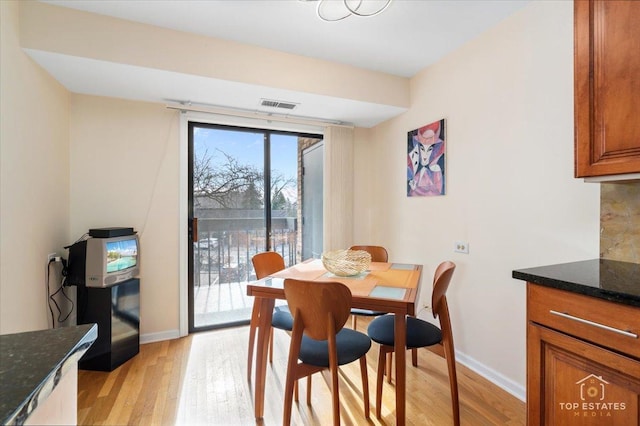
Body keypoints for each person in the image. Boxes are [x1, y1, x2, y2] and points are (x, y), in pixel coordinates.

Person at [408, 121, 445, 196]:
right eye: (422, 149)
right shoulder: (413, 167)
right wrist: (412, 186)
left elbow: (437, 191)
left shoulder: (436, 168)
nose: (425, 155)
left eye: (429, 150)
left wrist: (415, 188)